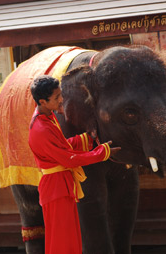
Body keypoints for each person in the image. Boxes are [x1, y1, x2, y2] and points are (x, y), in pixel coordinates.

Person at [28, 75, 121, 254]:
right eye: (56, 98)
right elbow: (68, 159)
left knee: (69, 239)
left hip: (60, 185)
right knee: (62, 242)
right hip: (56, 188)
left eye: (60, 94)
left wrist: (85, 139)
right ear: (42, 101)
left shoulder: (46, 116)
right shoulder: (41, 128)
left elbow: (61, 147)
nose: (61, 99)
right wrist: (102, 153)